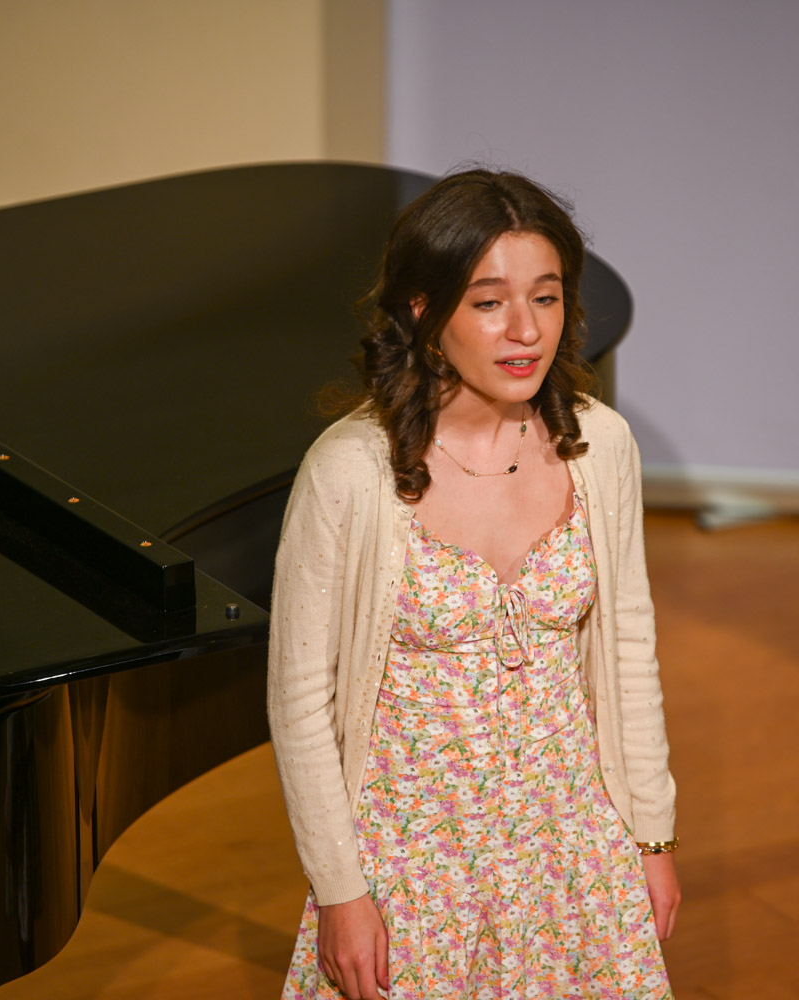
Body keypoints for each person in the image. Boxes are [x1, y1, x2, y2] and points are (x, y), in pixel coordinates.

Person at [268, 168, 679, 1000]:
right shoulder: (349, 472)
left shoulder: (601, 446)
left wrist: (652, 837)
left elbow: (629, 652)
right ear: (425, 310)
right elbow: (300, 700)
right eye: (489, 302)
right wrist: (340, 889)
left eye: (546, 297)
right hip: (411, 865)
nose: (526, 330)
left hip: (572, 851)